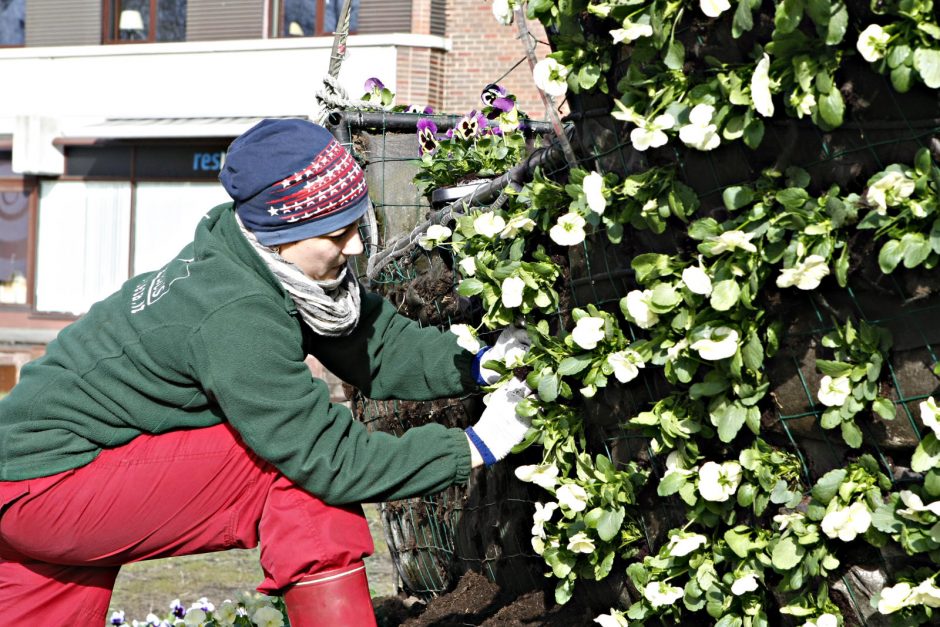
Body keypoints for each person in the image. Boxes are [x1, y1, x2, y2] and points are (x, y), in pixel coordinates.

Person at [0, 119, 532, 625]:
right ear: (282, 230)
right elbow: (330, 459)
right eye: (336, 232)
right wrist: (473, 446)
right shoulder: (236, 315)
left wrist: (480, 364)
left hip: (30, 473)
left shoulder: (263, 258)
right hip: (48, 481)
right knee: (292, 471)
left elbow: (378, 345)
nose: (354, 245)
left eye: (356, 224)